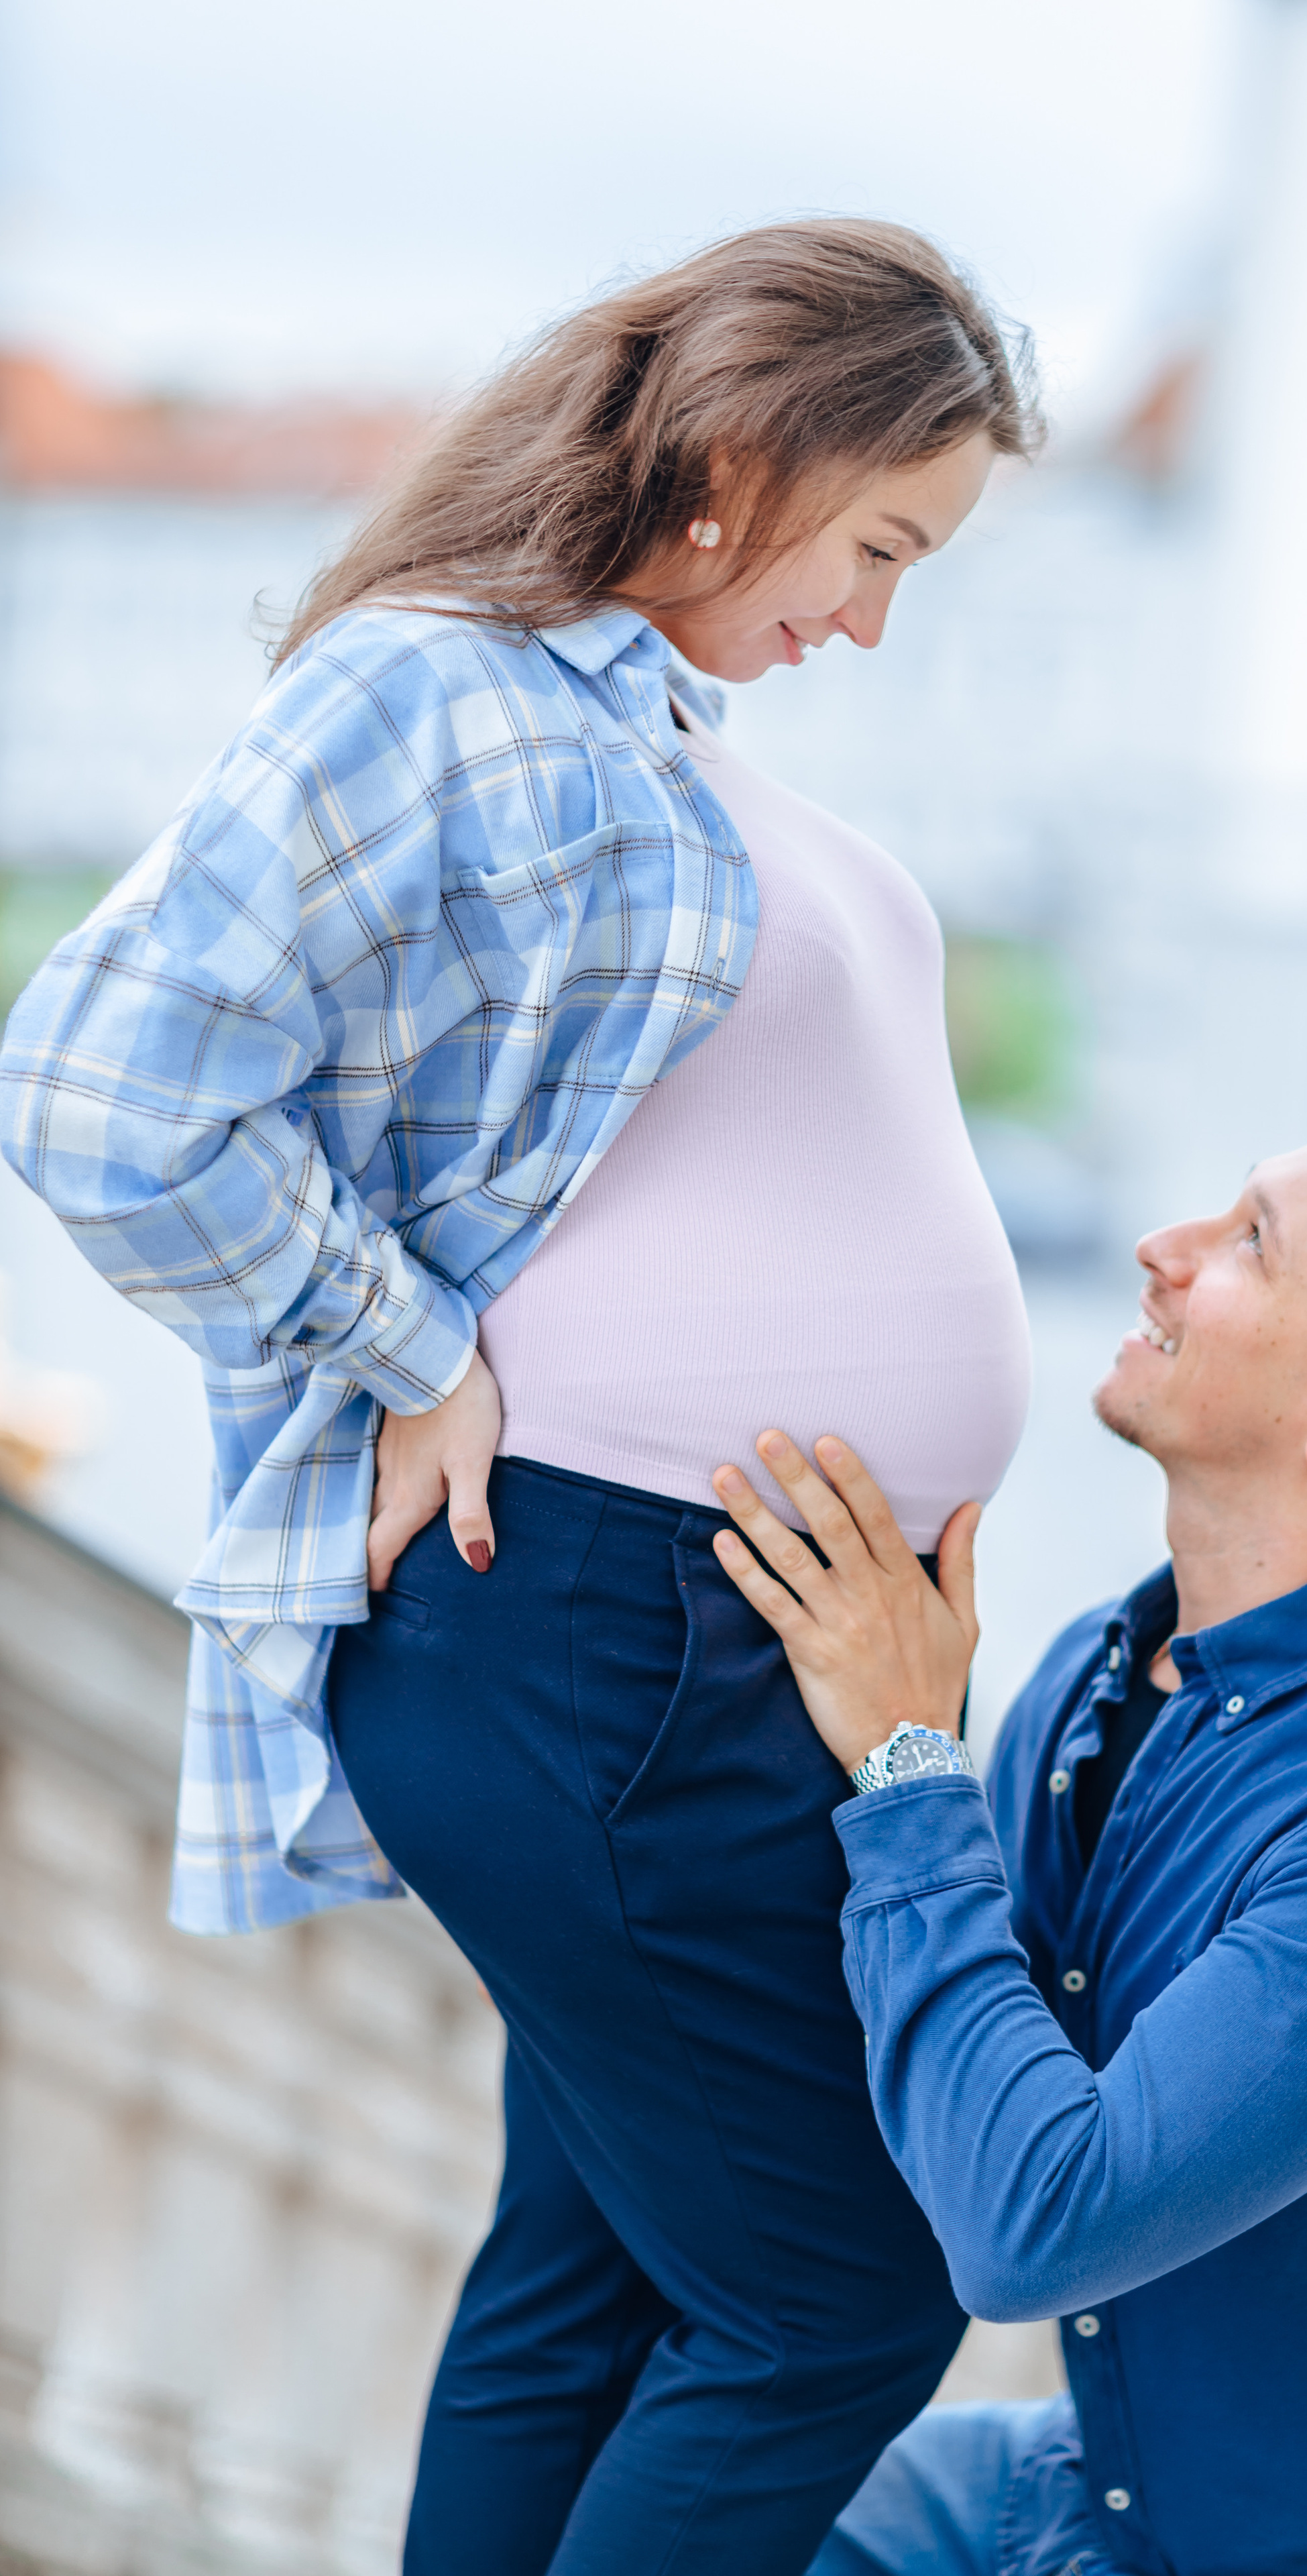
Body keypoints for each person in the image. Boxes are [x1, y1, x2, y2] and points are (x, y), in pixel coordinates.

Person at [0, 221, 1042, 2574]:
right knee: (840, 2297)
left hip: (720, 1648)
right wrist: (413, 1344)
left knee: (589, 2285)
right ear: (743, 457)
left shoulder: (644, 720)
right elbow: (97, 1090)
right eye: (879, 545)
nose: (875, 621)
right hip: (591, 1629)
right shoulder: (435, 690)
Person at [711, 1089, 1307, 2576]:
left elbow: (1039, 2223)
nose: (1159, 1247)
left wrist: (908, 1765)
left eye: (1245, 1245)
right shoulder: (1103, 1670)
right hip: (1103, 2492)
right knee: (687, 2499)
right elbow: (963, 2073)